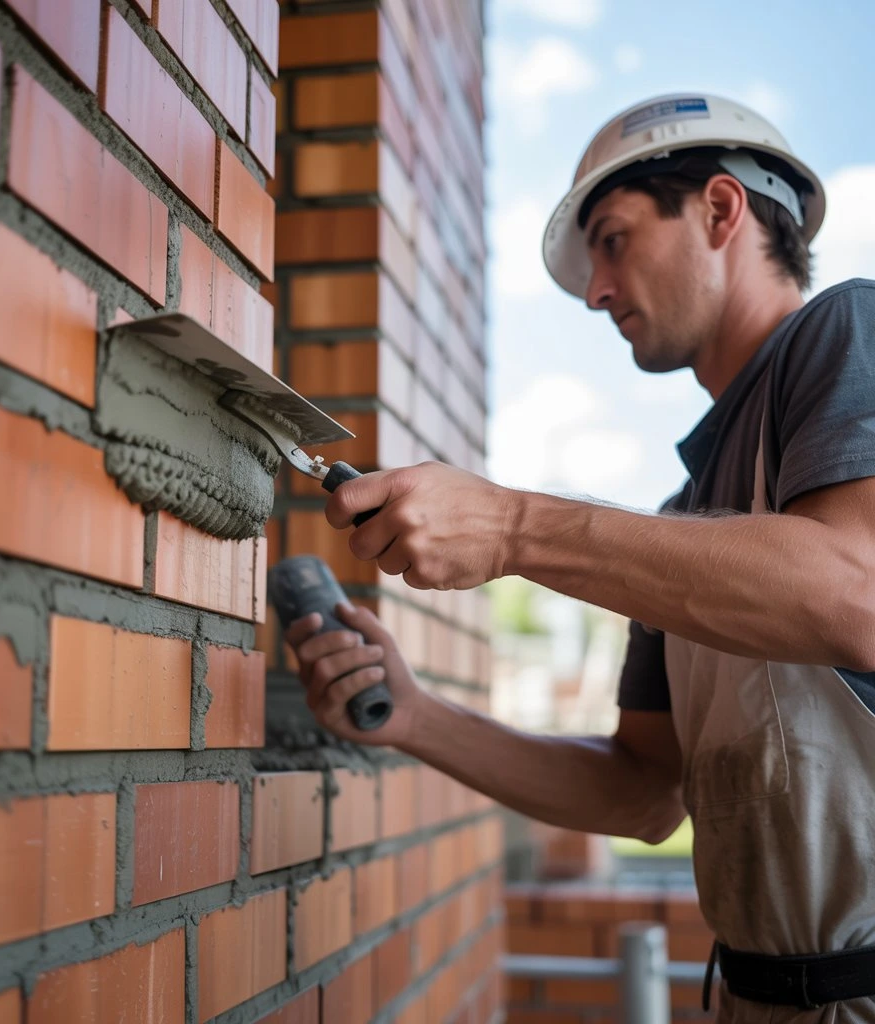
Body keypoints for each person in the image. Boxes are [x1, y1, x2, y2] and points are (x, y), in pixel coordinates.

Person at [283, 93, 875, 1021]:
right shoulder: (686, 523)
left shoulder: (851, 330)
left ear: (722, 210)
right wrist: (415, 716)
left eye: (613, 241)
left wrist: (513, 527)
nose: (596, 292)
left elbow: (857, 594)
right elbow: (644, 793)